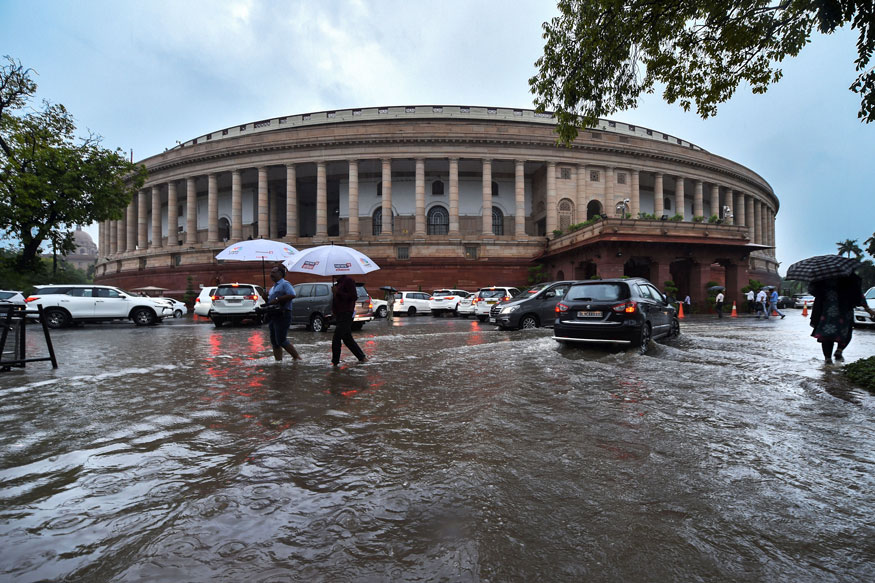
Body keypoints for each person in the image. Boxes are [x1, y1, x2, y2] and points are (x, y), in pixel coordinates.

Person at [809, 273, 875, 363]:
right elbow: (859, 295)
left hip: (827, 312)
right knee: (846, 332)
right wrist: (868, 310)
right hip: (845, 312)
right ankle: (839, 350)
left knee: (827, 335)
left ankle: (827, 359)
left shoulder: (823, 279)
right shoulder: (850, 279)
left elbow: (813, 291)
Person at [266, 265, 302, 361]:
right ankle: (278, 363)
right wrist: (265, 297)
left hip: (283, 314)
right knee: (274, 341)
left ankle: (297, 358)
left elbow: (292, 294)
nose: (271, 274)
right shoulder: (273, 287)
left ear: (280, 274)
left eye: (273, 272)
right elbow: (270, 302)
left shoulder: (285, 284)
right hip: (273, 315)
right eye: (271, 272)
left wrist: (278, 299)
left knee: (281, 340)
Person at [332, 274, 368, 366]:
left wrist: (338, 292)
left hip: (346, 313)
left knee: (336, 337)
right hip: (340, 314)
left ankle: (335, 362)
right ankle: (362, 358)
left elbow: (353, 296)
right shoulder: (338, 283)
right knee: (347, 338)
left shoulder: (348, 280)